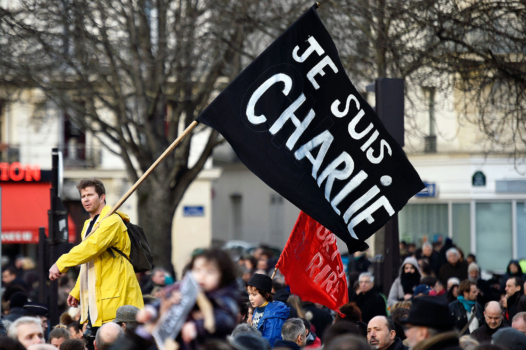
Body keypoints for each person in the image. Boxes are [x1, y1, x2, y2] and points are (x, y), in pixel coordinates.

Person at [48, 179, 144, 336]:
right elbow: (89, 261)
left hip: (115, 301)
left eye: (90, 195)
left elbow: (92, 247)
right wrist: (78, 290)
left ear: (102, 197)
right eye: (83, 196)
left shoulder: (112, 220)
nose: (85, 199)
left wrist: (61, 263)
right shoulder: (88, 224)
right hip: (98, 303)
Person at [247, 273, 289, 347]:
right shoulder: (258, 309)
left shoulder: (274, 315)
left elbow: (270, 341)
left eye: (254, 294)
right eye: (249, 294)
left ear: (266, 295)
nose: (250, 298)